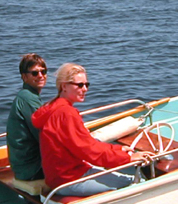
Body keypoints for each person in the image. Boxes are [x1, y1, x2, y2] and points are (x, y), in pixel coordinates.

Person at [32, 63, 152, 196]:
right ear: (64, 86)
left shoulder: (52, 107)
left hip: (60, 176)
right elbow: (87, 150)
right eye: (79, 85)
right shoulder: (66, 113)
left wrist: (118, 149)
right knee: (137, 182)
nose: (85, 89)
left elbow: (87, 143)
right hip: (70, 179)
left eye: (86, 85)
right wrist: (127, 158)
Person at [6, 53, 48, 181]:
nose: (40, 75)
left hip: (24, 166)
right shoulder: (28, 99)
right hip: (32, 169)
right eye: (35, 73)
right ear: (24, 77)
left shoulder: (28, 96)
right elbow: (45, 136)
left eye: (43, 71)